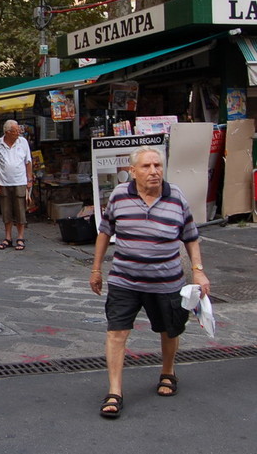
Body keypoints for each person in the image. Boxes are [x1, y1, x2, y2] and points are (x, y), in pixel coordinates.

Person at [90, 145, 210, 419]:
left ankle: (168, 371)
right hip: (124, 280)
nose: (154, 171)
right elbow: (105, 232)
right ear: (132, 171)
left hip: (166, 281)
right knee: (116, 332)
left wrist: (198, 270)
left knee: (170, 330)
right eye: (146, 166)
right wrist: (96, 269)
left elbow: (190, 236)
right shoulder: (119, 196)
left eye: (157, 165)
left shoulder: (176, 196)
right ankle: (115, 391)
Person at [0, 119, 33, 251]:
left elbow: (28, 161)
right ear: (7, 132)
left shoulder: (23, 142)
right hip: (4, 182)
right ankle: (8, 237)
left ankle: (20, 237)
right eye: (16, 131)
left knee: (20, 210)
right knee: (6, 211)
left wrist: (29, 179)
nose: (19, 133)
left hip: (20, 181)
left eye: (19, 130)